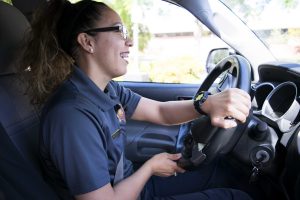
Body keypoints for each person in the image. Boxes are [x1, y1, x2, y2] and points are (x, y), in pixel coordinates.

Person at [19, 0, 252, 199]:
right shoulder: (71, 116)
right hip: (127, 192)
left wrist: (205, 104)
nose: (129, 42)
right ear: (87, 42)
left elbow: (160, 112)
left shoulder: (106, 89)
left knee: (224, 172)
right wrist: (150, 168)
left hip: (129, 185)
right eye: (120, 30)